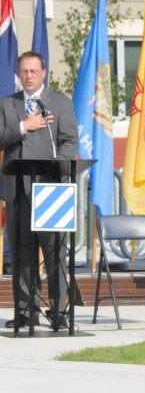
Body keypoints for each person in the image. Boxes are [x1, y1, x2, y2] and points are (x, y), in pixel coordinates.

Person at [0, 50, 78, 329]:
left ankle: (58, 310)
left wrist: (59, 165)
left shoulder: (60, 103)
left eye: (34, 71)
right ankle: (25, 310)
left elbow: (69, 142)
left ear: (44, 72)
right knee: (22, 252)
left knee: (54, 250)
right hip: (16, 190)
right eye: (24, 72)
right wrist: (24, 126)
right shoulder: (7, 104)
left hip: (50, 190)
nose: (29, 76)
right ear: (19, 74)